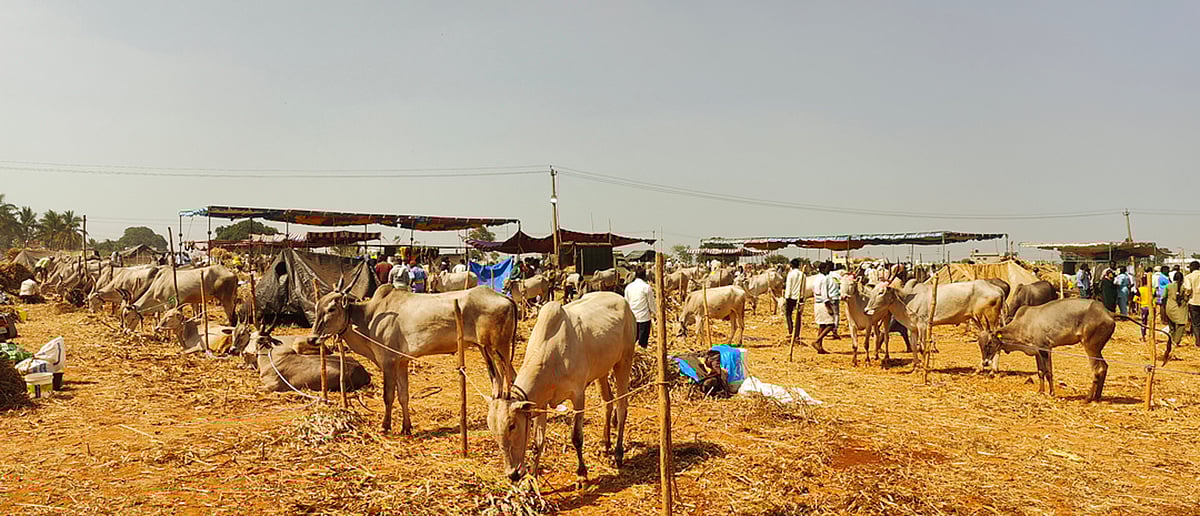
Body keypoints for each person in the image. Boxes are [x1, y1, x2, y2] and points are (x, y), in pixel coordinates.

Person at [623, 267, 656, 349]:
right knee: (642, 343)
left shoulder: (628, 287)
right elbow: (651, 304)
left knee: (633, 341)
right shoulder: (646, 287)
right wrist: (656, 314)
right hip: (643, 318)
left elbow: (626, 303)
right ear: (644, 276)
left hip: (632, 318)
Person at [1164, 271, 1189, 362]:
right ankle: (1175, 342)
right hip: (1180, 309)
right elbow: (1186, 298)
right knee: (1181, 325)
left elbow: (1164, 296)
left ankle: (1171, 341)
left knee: (1172, 327)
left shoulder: (1168, 286)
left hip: (1169, 307)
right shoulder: (1184, 287)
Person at [809, 262, 834, 354]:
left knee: (822, 325)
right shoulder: (823, 279)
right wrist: (829, 308)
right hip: (823, 304)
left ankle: (819, 346)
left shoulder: (816, 279)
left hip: (817, 303)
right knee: (831, 324)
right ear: (823, 269)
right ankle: (817, 341)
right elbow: (824, 294)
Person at [784, 259, 805, 337]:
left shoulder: (790, 274)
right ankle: (797, 334)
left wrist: (787, 297)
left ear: (791, 265)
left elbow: (788, 287)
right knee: (798, 316)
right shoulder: (803, 274)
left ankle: (790, 331)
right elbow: (803, 287)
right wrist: (803, 297)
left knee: (788, 314)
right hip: (800, 297)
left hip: (791, 298)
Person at [1185, 261, 1200, 346]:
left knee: (1196, 323)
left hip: (1194, 301)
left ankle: (1198, 342)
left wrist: (1186, 296)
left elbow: (1188, 288)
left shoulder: (1188, 277)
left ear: (1191, 268)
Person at [827, 262, 844, 339]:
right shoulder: (837, 276)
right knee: (836, 314)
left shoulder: (826, 276)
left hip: (828, 298)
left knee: (829, 314)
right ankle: (835, 329)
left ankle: (828, 329)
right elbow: (841, 285)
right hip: (835, 297)